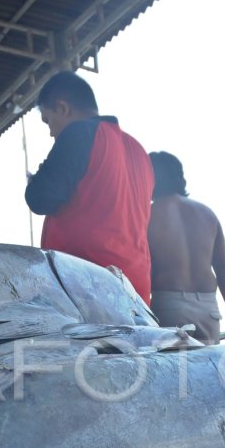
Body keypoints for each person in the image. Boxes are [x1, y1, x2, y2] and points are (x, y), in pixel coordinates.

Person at [24, 71, 153, 300]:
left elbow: (39, 198)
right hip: (136, 291)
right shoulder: (138, 150)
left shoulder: (80, 133)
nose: (52, 132)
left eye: (48, 120)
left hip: (89, 288)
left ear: (62, 108)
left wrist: (35, 179)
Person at [147, 151, 225, 344]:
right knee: (208, 370)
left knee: (174, 371)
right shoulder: (207, 214)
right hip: (208, 309)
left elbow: (142, 266)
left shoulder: (149, 214)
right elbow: (223, 268)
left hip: (168, 306)